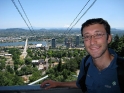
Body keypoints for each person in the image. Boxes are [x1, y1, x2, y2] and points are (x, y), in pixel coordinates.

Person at [41, 18, 124, 93]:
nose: (92, 42)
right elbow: (81, 83)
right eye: (87, 36)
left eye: (98, 35)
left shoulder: (121, 68)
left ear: (109, 38)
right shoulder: (86, 63)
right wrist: (58, 83)